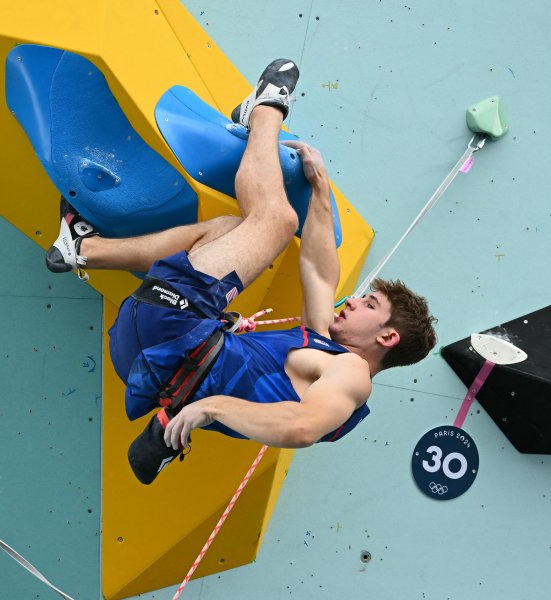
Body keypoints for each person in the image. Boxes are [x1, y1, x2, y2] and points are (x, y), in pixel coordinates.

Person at [46, 59, 437, 483]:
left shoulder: (353, 375)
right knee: (228, 231)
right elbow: (321, 271)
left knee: (278, 221)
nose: (354, 300)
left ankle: (267, 105)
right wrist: (321, 189)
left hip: (172, 330)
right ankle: (84, 248)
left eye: (370, 304)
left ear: (387, 337)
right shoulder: (325, 348)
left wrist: (212, 408)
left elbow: (303, 426)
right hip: (141, 356)